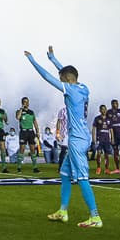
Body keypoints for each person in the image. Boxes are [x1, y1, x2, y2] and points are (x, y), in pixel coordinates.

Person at [26, 46, 102, 228]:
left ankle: (95, 217)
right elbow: (67, 73)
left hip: (76, 139)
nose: (60, 80)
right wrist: (53, 59)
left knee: (82, 177)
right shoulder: (83, 88)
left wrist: (32, 60)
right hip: (82, 136)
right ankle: (63, 211)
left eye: (62, 79)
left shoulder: (70, 89)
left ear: (67, 79)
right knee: (65, 174)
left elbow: (47, 77)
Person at [15, 97, 42, 173]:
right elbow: (17, 117)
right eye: (24, 102)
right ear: (22, 103)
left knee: (33, 149)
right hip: (23, 132)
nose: (26, 103)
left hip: (31, 132)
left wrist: (37, 132)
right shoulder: (19, 111)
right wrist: (21, 109)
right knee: (22, 149)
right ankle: (19, 167)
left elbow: (35, 122)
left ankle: (35, 167)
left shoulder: (31, 112)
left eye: (27, 102)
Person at [92, 104, 114, 175]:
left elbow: (111, 130)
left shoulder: (109, 119)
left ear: (106, 110)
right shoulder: (97, 118)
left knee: (106, 154)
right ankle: (98, 168)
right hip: (99, 139)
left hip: (107, 139)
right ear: (100, 110)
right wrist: (93, 138)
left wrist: (112, 138)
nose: (104, 111)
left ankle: (107, 169)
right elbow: (94, 128)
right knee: (98, 153)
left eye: (105, 109)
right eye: (102, 109)